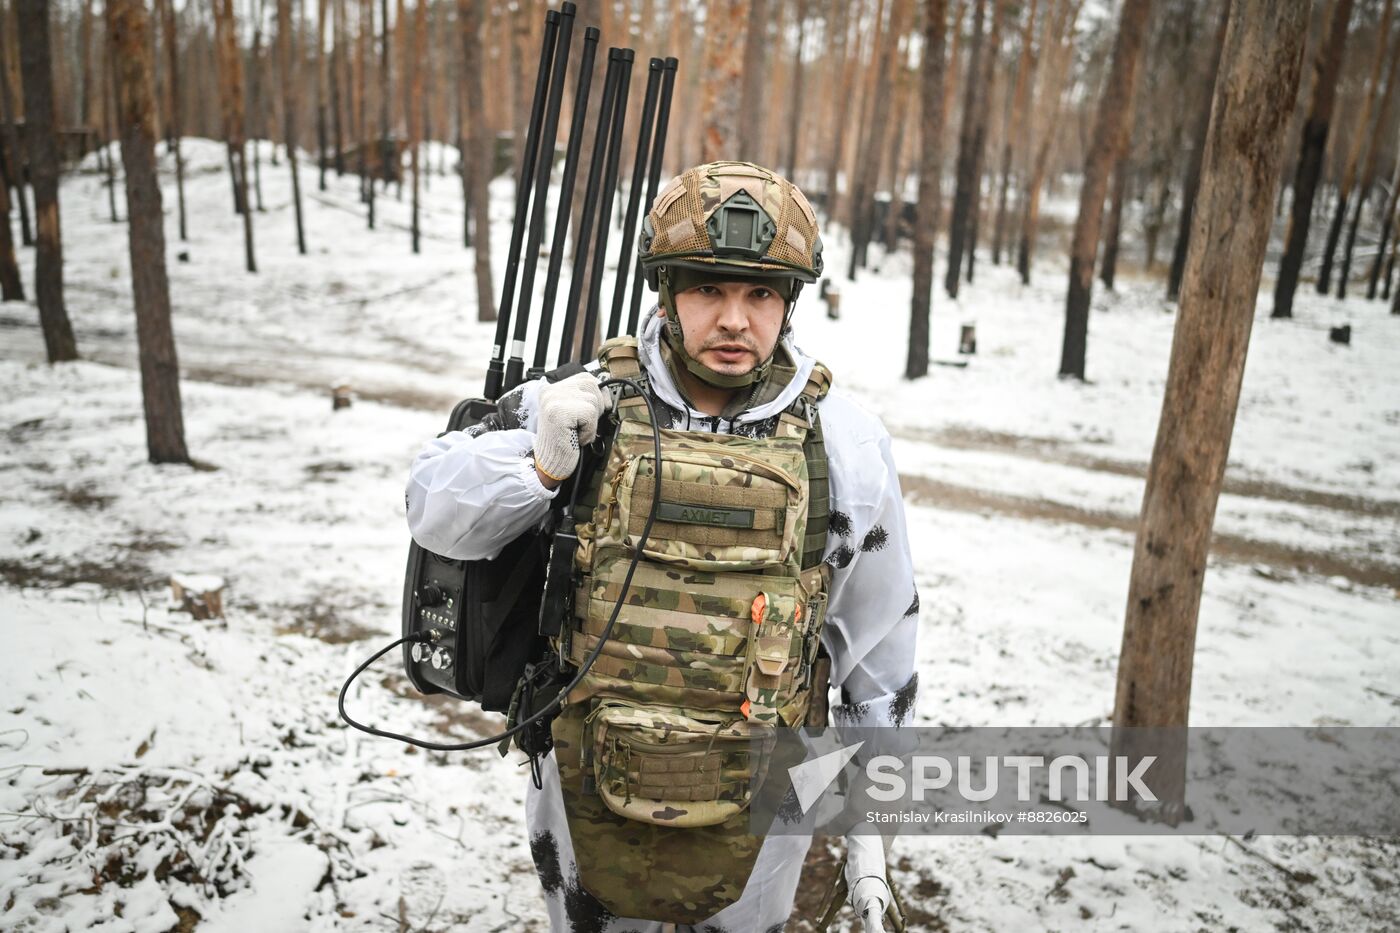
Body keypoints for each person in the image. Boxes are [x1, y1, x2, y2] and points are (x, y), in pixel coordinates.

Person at [406, 161, 919, 932]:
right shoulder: (582, 403)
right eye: (708, 288)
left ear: (790, 301)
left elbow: (879, 655)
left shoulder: (843, 443)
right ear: (666, 291)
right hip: (586, 781)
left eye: (760, 293)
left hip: (765, 796)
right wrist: (540, 464)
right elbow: (432, 513)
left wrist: (869, 844)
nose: (736, 320)